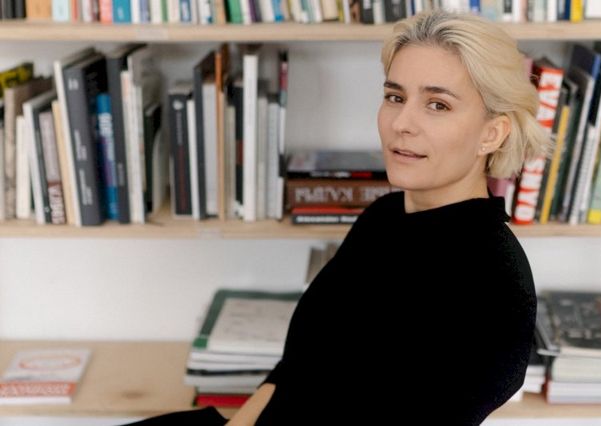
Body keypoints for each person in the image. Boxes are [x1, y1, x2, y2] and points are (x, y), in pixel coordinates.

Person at [126, 8, 548, 426]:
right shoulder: (384, 217)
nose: (402, 123)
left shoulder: (498, 287)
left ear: (492, 133)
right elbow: (295, 368)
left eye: (437, 105)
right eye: (395, 97)